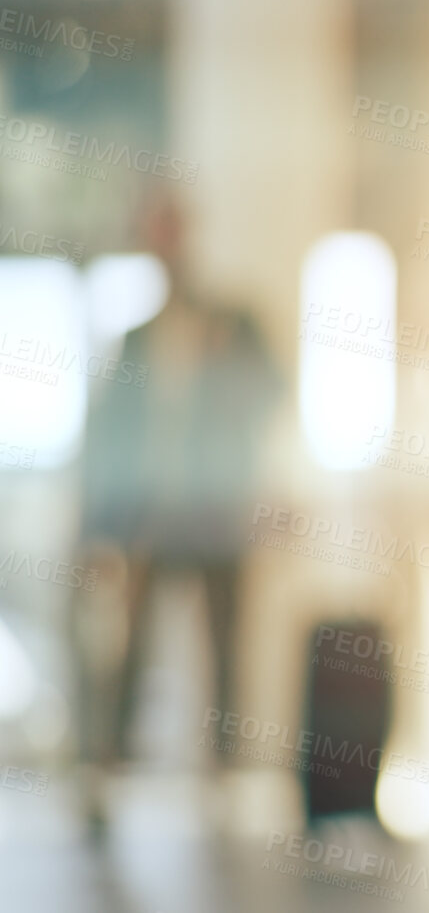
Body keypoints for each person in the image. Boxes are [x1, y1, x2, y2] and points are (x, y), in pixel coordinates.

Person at [75, 186, 281, 831]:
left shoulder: (234, 320)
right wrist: (99, 523)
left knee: (223, 645)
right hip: (152, 514)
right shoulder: (137, 339)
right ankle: (109, 770)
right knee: (132, 648)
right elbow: (112, 432)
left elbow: (273, 394)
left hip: (217, 512)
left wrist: (230, 361)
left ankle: (222, 773)